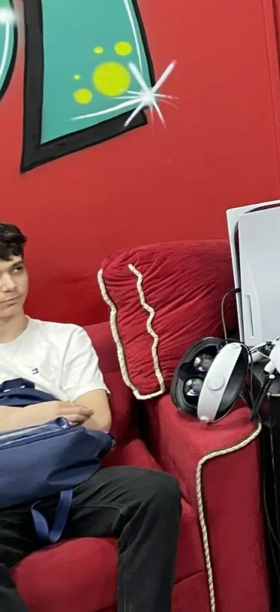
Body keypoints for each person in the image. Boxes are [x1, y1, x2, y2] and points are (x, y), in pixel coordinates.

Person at [0, 221, 182, 612]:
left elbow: (98, 420)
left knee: (156, 492)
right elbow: (72, 416)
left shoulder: (64, 339)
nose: (9, 286)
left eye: (16, 269)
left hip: (68, 484)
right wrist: (44, 412)